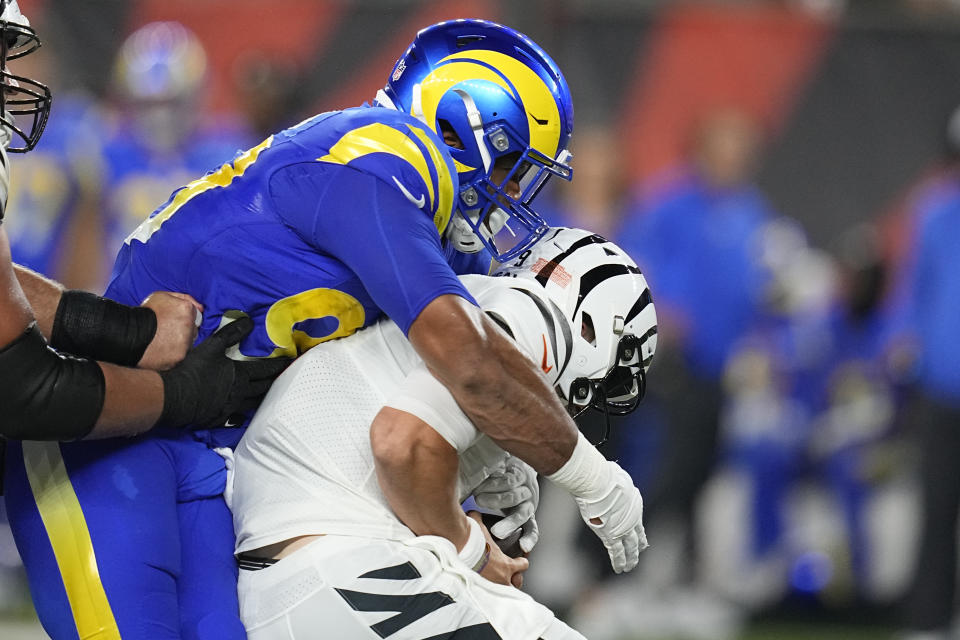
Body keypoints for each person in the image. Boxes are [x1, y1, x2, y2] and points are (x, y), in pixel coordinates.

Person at [5, 18, 583, 640]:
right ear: (456, 124)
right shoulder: (379, 159)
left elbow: (381, 400)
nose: (515, 194)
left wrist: (482, 487)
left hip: (210, 445)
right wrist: (589, 477)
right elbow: (466, 358)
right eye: (513, 170)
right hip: (104, 425)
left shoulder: (434, 237)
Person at [231, 228, 658, 639]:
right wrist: (472, 552)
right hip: (345, 566)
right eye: (613, 378)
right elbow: (404, 445)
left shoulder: (470, 308)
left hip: (291, 585)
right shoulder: (533, 315)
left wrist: (486, 458)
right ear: (593, 326)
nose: (595, 397)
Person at [0, 0, 288, 443]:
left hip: (188, 310)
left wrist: (115, 328)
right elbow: (29, 388)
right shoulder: (104, 149)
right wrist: (172, 392)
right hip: (124, 301)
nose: (11, 92)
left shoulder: (226, 147)